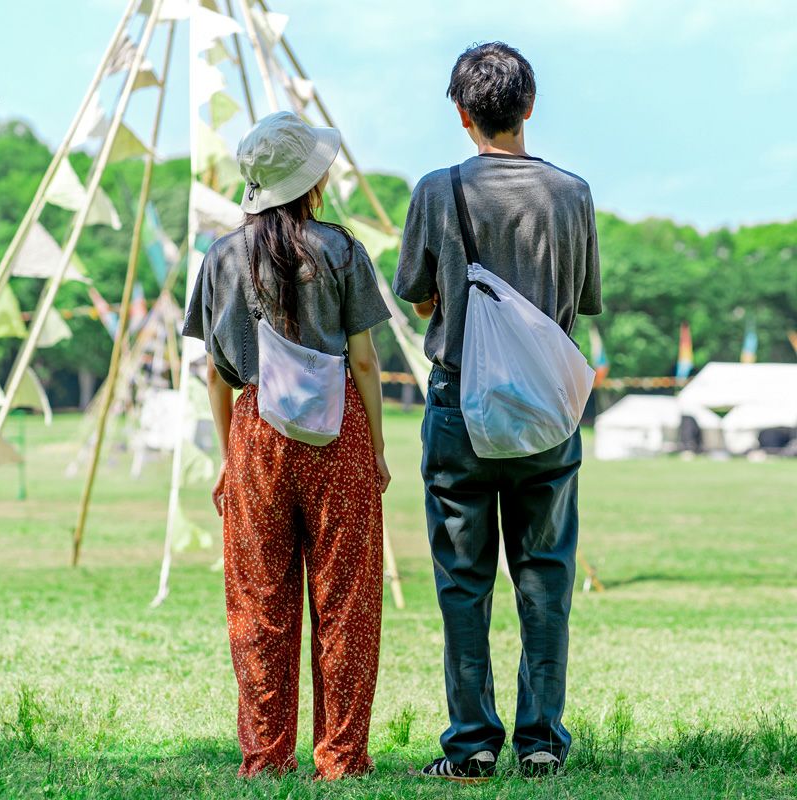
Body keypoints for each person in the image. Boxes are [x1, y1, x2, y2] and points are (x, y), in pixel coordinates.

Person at [393, 43, 602, 782]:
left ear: (462, 114)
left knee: (462, 579)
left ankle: (472, 744)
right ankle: (541, 740)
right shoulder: (572, 193)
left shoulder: (436, 190)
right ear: (530, 106)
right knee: (545, 576)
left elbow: (419, 295)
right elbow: (579, 302)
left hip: (460, 402)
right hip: (548, 407)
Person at [182, 111, 392, 781]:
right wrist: (376, 447)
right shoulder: (341, 250)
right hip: (338, 432)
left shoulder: (220, 257)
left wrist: (230, 457)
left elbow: (215, 373)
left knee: (258, 605)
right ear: (311, 180)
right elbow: (364, 360)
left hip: (255, 433)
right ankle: (342, 758)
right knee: (346, 602)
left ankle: (266, 757)